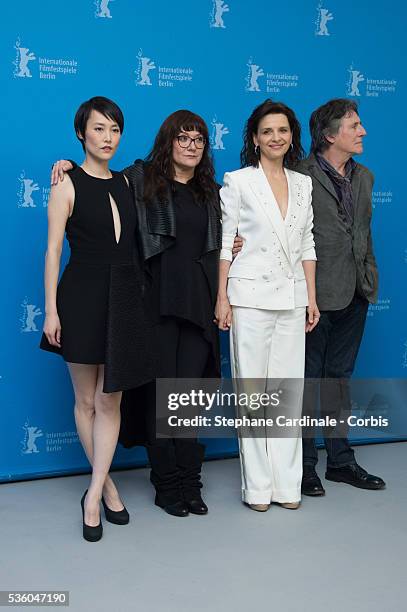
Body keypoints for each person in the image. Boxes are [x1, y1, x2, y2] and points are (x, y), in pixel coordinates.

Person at [51, 110, 230, 518]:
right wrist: (65, 164)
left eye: (199, 139)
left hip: (198, 305)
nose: (191, 146)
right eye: (183, 138)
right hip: (155, 305)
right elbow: (97, 177)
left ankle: (191, 482)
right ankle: (166, 484)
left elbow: (224, 243)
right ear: (167, 142)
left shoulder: (215, 193)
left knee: (190, 397)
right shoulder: (141, 180)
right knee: (158, 399)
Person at [41, 96, 154, 541]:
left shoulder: (129, 182)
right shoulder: (65, 184)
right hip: (81, 297)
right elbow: (52, 250)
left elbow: (174, 164)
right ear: (81, 134)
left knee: (112, 401)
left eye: (114, 130)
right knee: (86, 401)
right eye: (99, 129)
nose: (108, 138)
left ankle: (93, 491)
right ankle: (103, 487)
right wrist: (51, 309)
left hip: (125, 297)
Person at [215, 99, 319, 511]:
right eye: (267, 131)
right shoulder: (238, 181)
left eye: (283, 130)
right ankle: (258, 488)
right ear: (255, 139)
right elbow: (226, 243)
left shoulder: (303, 183)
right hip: (249, 298)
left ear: (292, 136)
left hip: (293, 298)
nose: (276, 137)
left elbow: (307, 242)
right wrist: (222, 297)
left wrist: (310, 296)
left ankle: (287, 486)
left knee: (287, 394)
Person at [297, 98, 385, 496]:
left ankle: (341, 462)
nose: (362, 131)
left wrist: (368, 278)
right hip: (314, 297)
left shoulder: (364, 176)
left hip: (356, 292)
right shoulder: (298, 175)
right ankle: (304, 467)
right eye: (354, 125)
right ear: (331, 135)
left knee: (339, 379)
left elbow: (361, 232)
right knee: (307, 381)